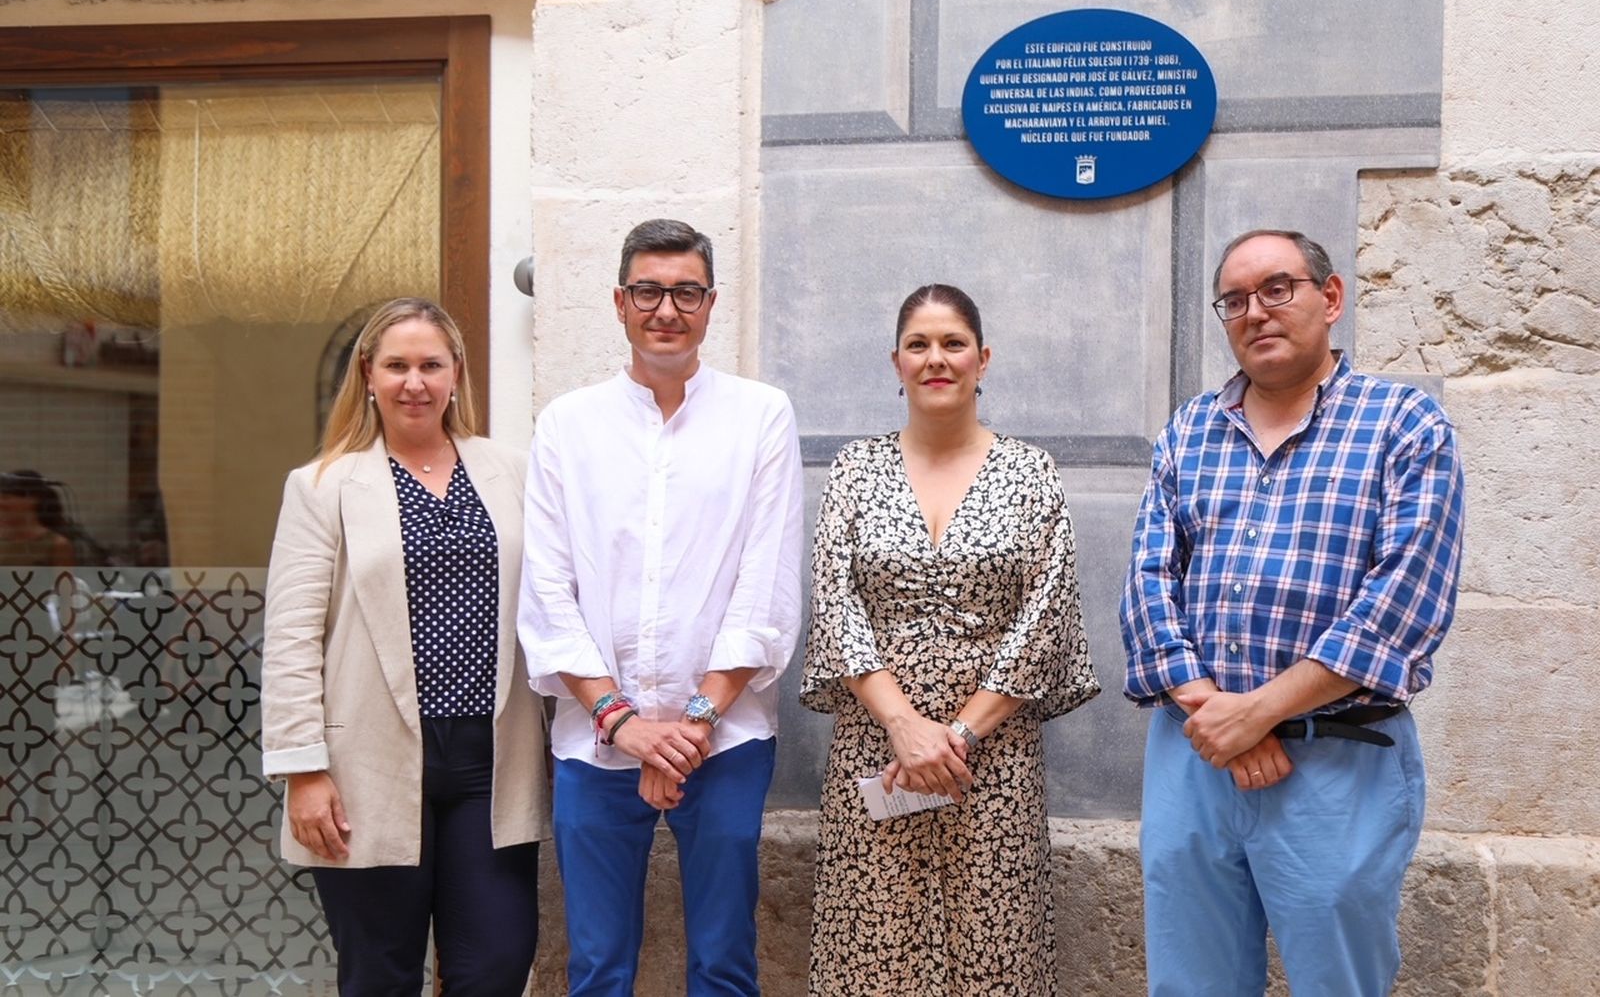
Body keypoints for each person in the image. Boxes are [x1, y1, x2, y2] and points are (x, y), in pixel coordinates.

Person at [1120, 230, 1465, 996]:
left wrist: (1260, 712)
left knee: (1337, 983)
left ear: (1330, 297)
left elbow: (1402, 605)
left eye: (1278, 288)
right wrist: (1219, 718)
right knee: (1190, 985)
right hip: (1194, 754)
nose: (1256, 311)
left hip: (1336, 761)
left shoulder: (1405, 425)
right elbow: (1146, 581)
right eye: (1235, 300)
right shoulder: (1189, 430)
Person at [518, 218, 804, 996]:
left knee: (723, 965)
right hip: (595, 741)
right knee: (597, 969)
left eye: (686, 292)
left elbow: (767, 586)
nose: (666, 310)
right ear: (619, 302)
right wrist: (625, 725)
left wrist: (693, 724)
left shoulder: (761, 416)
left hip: (727, 738)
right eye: (648, 291)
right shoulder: (567, 425)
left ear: (711, 304)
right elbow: (547, 590)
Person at [800, 283, 1101, 995]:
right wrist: (905, 727)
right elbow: (835, 601)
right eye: (919, 344)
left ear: (982, 359)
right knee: (873, 950)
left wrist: (957, 737)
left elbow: (1047, 612)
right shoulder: (854, 469)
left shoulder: (1030, 472)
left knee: (995, 953)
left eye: (953, 343)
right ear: (896, 362)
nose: (936, 358)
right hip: (879, 748)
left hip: (992, 757)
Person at [261, 298, 548, 996]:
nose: (414, 382)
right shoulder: (323, 486)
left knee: (497, 966)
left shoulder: (515, 472)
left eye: (430, 365)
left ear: (456, 374)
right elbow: (292, 635)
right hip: (366, 766)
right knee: (380, 976)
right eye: (396, 366)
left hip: (490, 761)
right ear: (368, 374)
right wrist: (303, 769)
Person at [0, 470, 76, 568]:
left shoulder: (57, 545)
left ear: (32, 499)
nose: (1, 503)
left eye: (6, 497)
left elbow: (64, 578)